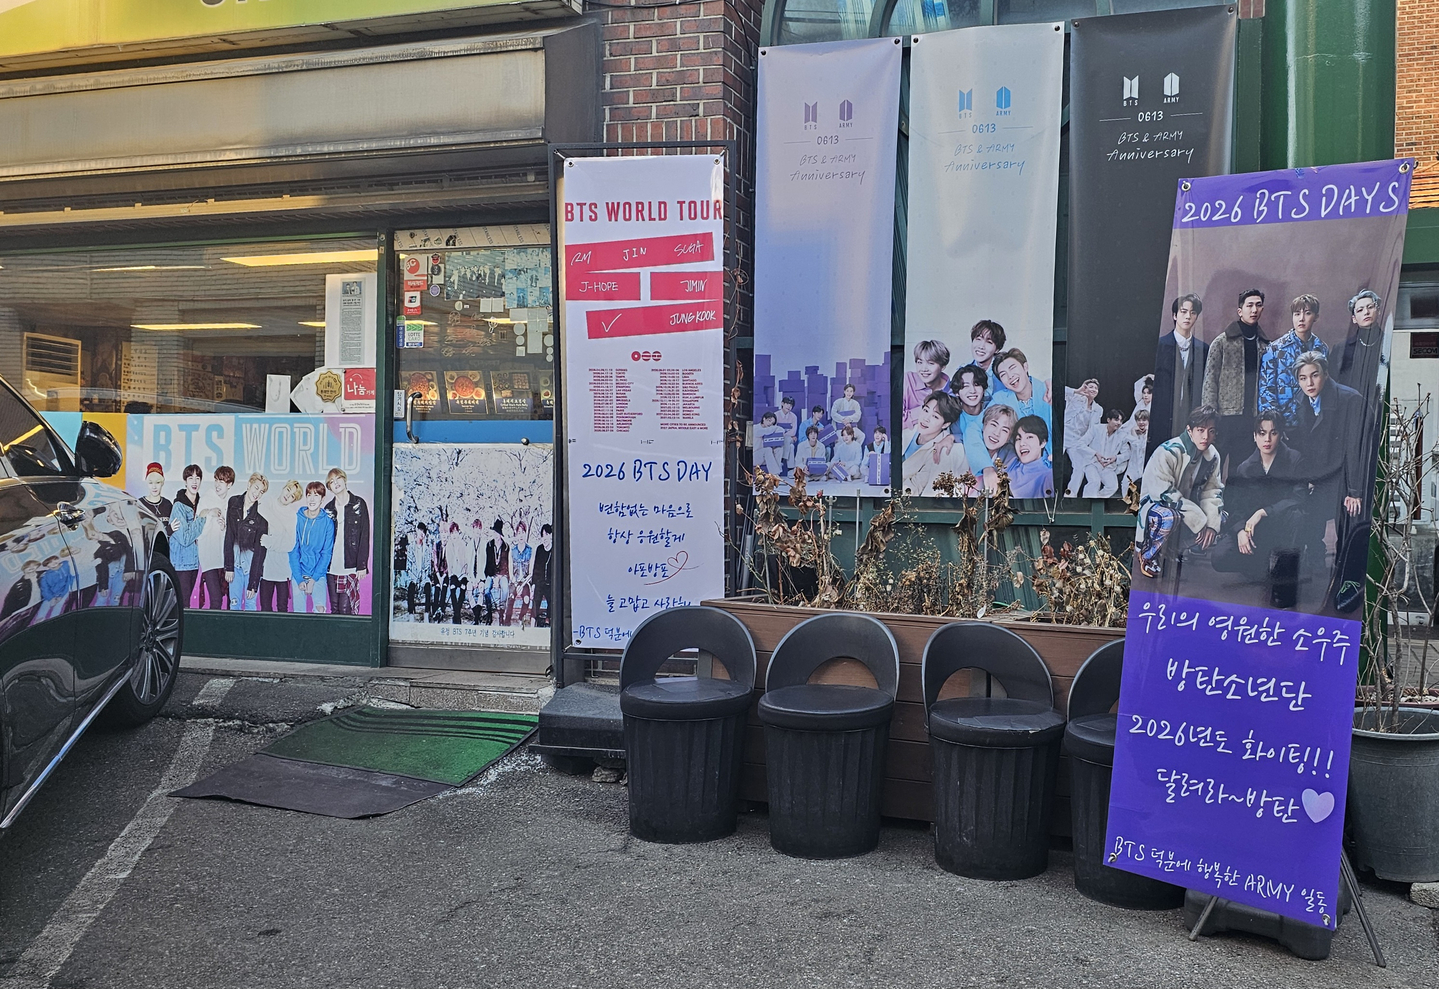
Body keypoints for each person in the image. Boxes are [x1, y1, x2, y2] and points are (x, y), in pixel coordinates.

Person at [1289, 350, 1367, 567]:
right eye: (1303, 378)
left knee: (1349, 534)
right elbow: (1306, 446)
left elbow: (1354, 449)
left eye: (1314, 375)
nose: (1309, 383)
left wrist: (1354, 492)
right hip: (1322, 476)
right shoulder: (1302, 400)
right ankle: (1314, 573)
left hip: (1347, 478)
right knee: (1307, 520)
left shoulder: (1350, 400)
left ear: (1325, 374)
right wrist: (1309, 478)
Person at [1211, 410, 1309, 582]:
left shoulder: (1295, 459)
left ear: (1281, 435)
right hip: (1256, 530)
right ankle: (1259, 564)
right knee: (1219, 557)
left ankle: (1285, 565)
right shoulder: (1245, 468)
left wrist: (1263, 512)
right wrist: (1240, 530)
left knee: (1298, 516)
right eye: (1262, 433)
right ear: (1255, 436)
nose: (1267, 440)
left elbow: (1299, 498)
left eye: (1273, 433)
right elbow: (1235, 507)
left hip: (1282, 526)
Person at [1134, 405, 1224, 579]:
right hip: (1156, 504)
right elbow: (1164, 494)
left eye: (1211, 431)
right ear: (1189, 430)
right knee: (1168, 517)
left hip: (1186, 505)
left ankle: (1179, 550)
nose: (1206, 436)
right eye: (1200, 430)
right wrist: (1199, 520)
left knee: (1221, 517)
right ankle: (1147, 554)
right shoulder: (1168, 451)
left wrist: (1211, 525)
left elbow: (1213, 490)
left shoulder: (1212, 456)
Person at [1203, 288, 1270, 469]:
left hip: (1251, 418)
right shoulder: (1222, 342)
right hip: (1225, 418)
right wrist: (1210, 417)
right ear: (1240, 311)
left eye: (1258, 305)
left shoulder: (1265, 345)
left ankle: (1234, 499)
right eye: (1249, 305)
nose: (1254, 310)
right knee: (1212, 467)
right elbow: (1210, 380)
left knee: (1240, 471)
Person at [1150, 294, 1209, 458]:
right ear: (1175, 315)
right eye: (1183, 312)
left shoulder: (1202, 349)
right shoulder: (1160, 346)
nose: (1188, 316)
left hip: (1190, 413)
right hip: (1163, 413)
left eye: (1193, 312)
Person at [1259, 294, 1328, 426]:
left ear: (1316, 317)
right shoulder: (1275, 349)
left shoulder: (1321, 348)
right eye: (1297, 314)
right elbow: (1266, 391)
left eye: (1307, 313)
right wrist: (1274, 426)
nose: (1301, 319)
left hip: (1314, 423)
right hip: (1285, 424)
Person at [901, 391, 970, 497]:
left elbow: (917, 484)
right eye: (925, 410)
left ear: (945, 424)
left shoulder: (942, 451)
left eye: (935, 417)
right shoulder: (905, 434)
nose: (926, 419)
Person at [325, 467, 370, 616]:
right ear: (329, 487)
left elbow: (364, 535)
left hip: (349, 566)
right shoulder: (328, 509)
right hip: (331, 566)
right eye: (331, 481)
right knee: (335, 609)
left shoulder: (359, 504)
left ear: (344, 480)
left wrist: (362, 564)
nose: (336, 483)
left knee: (346, 609)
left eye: (338, 478)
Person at [990, 349, 1051, 458]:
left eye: (1012, 368)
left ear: (1025, 367)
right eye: (1003, 374)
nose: (1010, 376)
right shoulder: (999, 399)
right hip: (1022, 464)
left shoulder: (1048, 389)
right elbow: (977, 426)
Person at [224, 472, 269, 612]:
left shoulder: (261, 519)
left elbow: (260, 554)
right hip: (235, 567)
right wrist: (229, 567)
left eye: (261, 492)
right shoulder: (233, 503)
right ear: (249, 484)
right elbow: (229, 536)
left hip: (251, 568)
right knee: (234, 605)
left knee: (250, 606)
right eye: (256, 488)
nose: (257, 494)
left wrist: (253, 583)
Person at [289, 481, 334, 613]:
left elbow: (326, 554)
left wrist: (313, 580)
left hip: (318, 575)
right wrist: (298, 578)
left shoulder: (327, 523)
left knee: (320, 610)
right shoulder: (297, 518)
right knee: (299, 612)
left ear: (322, 499)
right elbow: (293, 551)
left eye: (316, 495)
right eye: (309, 495)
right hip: (299, 572)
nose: (312, 499)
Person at [258, 480, 301, 613]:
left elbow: (289, 544)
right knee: (265, 608)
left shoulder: (292, 516)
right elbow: (260, 511)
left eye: (292, 496)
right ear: (283, 488)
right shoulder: (267, 503)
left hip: (283, 571)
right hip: (266, 569)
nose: (288, 496)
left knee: (282, 609)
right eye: (288, 490)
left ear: (293, 500)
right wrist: (281, 531)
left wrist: (268, 541)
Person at [197, 466, 233, 610]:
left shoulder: (231, 503)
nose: (218, 485)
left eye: (222, 482)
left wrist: (224, 527)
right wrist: (209, 514)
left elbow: (231, 535)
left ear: (229, 485)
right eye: (216, 480)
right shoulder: (206, 498)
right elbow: (199, 531)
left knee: (230, 599)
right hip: (209, 558)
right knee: (216, 600)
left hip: (224, 559)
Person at [168, 464, 204, 608]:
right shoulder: (179, 506)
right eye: (190, 478)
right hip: (181, 564)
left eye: (197, 478)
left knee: (186, 603)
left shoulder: (201, 504)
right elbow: (185, 538)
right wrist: (201, 519)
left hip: (194, 562)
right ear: (185, 481)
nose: (194, 482)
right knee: (182, 605)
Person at [1077, 409, 1131, 498]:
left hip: (1108, 466)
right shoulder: (1096, 429)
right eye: (1116, 419)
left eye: (1121, 421)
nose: (1119, 423)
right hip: (1092, 463)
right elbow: (1080, 444)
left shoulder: (1122, 435)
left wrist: (1116, 458)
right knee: (1095, 482)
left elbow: (1127, 453)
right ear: (1108, 420)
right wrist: (1095, 454)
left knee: (1113, 487)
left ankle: (1095, 500)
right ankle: (1086, 505)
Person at [1337, 289, 1384, 388]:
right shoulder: (1341, 349)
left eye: (1370, 307)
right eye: (1360, 310)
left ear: (1378, 311)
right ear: (1354, 319)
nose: (1366, 312)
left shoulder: (1388, 342)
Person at [1062, 378, 1102, 497]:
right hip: (1063, 435)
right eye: (1090, 387)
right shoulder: (1075, 398)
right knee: (1052, 464)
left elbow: (1094, 430)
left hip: (1077, 440)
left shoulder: (1098, 409)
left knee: (1079, 468)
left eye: (1095, 388)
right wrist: (1077, 391)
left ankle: (1070, 495)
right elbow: (1057, 390)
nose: (1093, 389)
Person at [902, 340, 952, 429]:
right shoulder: (906, 381)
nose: (923, 369)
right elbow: (895, 421)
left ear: (943, 366)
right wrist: (924, 410)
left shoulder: (952, 393)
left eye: (931, 363)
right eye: (919, 362)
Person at [977, 404, 1020, 494]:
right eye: (993, 425)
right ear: (984, 425)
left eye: (1004, 430)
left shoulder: (1011, 458)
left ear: (1009, 437)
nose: (997, 433)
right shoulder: (966, 447)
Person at [1008, 417, 1054, 499]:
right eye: (1018, 438)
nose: (1022, 443)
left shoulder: (1048, 476)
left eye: (1029, 437)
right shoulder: (1011, 464)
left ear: (1043, 442)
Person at [507, 522, 534, 626]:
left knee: (526, 599)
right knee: (511, 596)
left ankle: (520, 618)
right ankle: (507, 621)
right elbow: (510, 569)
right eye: (519, 533)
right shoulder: (512, 550)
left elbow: (530, 573)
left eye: (523, 532)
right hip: (514, 581)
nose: (521, 535)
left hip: (525, 582)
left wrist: (522, 585)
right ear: (516, 534)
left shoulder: (530, 550)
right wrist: (515, 583)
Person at [968, 319, 1007, 387]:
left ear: (997, 349)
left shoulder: (1004, 371)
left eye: (989, 342)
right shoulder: (964, 372)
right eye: (978, 339)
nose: (981, 346)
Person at [1120, 411, 1150, 494]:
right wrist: (1133, 432)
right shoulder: (1131, 433)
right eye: (1138, 420)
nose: (1141, 422)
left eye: (1144, 420)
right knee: (1125, 483)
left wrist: (1147, 432)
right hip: (1134, 466)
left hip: (1146, 466)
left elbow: (1143, 447)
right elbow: (1136, 448)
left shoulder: (1151, 433)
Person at [753, 411, 786, 477]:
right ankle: (774, 475)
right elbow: (765, 431)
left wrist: (774, 427)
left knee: (779, 448)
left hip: (767, 457)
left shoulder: (771, 429)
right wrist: (774, 428)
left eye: (772, 423)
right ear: (764, 419)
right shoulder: (755, 428)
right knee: (767, 449)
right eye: (769, 421)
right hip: (755, 456)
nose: (770, 424)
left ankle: (777, 473)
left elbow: (782, 430)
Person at [533, 523, 553, 628]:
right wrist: (533, 583)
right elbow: (536, 567)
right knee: (536, 597)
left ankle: (547, 620)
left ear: (551, 536)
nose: (544, 538)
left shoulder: (555, 549)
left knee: (552, 598)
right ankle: (533, 621)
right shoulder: (539, 549)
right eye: (543, 535)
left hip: (551, 582)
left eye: (547, 534)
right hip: (540, 582)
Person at [775, 395, 799, 470]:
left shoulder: (794, 417)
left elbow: (793, 431)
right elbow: (774, 430)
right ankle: (790, 469)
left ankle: (782, 459)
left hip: (789, 439)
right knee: (791, 447)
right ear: (782, 403)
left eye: (791, 405)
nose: (789, 406)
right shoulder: (776, 415)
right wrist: (784, 435)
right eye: (787, 404)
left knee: (788, 439)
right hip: (778, 439)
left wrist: (784, 435)